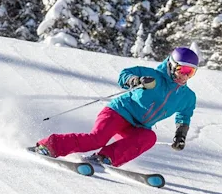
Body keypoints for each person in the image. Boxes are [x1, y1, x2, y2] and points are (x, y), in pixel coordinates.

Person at [32, 47, 198, 167]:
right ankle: (48, 146)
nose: (184, 75)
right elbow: (124, 74)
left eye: (190, 72)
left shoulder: (187, 97)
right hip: (118, 112)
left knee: (149, 137)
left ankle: (104, 158)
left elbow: (184, 115)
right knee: (97, 139)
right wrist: (136, 81)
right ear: (171, 65)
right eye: (182, 69)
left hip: (138, 126)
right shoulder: (152, 75)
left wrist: (180, 135)